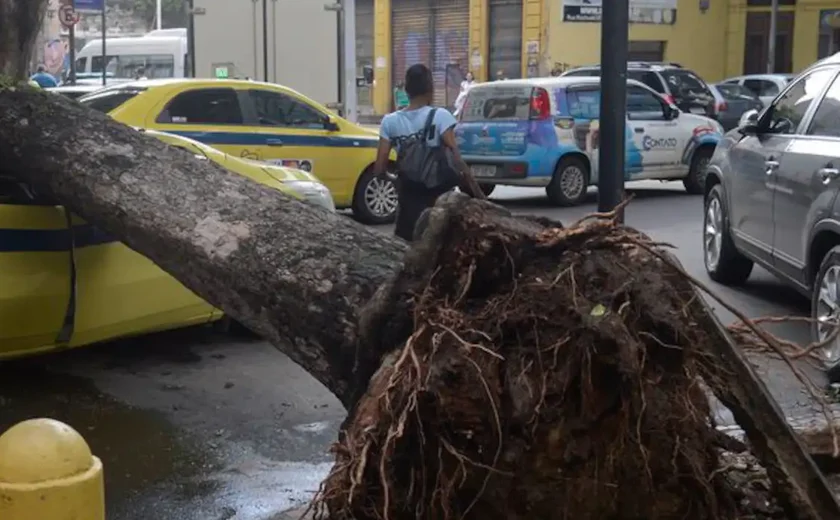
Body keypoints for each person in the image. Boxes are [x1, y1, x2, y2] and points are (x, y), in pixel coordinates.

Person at [375, 63, 484, 242]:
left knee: (405, 250)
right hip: (439, 201)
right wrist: (480, 197)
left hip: (408, 203)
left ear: (407, 90)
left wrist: (398, 179)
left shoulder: (390, 122)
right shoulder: (440, 116)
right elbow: (458, 162)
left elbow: (379, 169)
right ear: (430, 89)